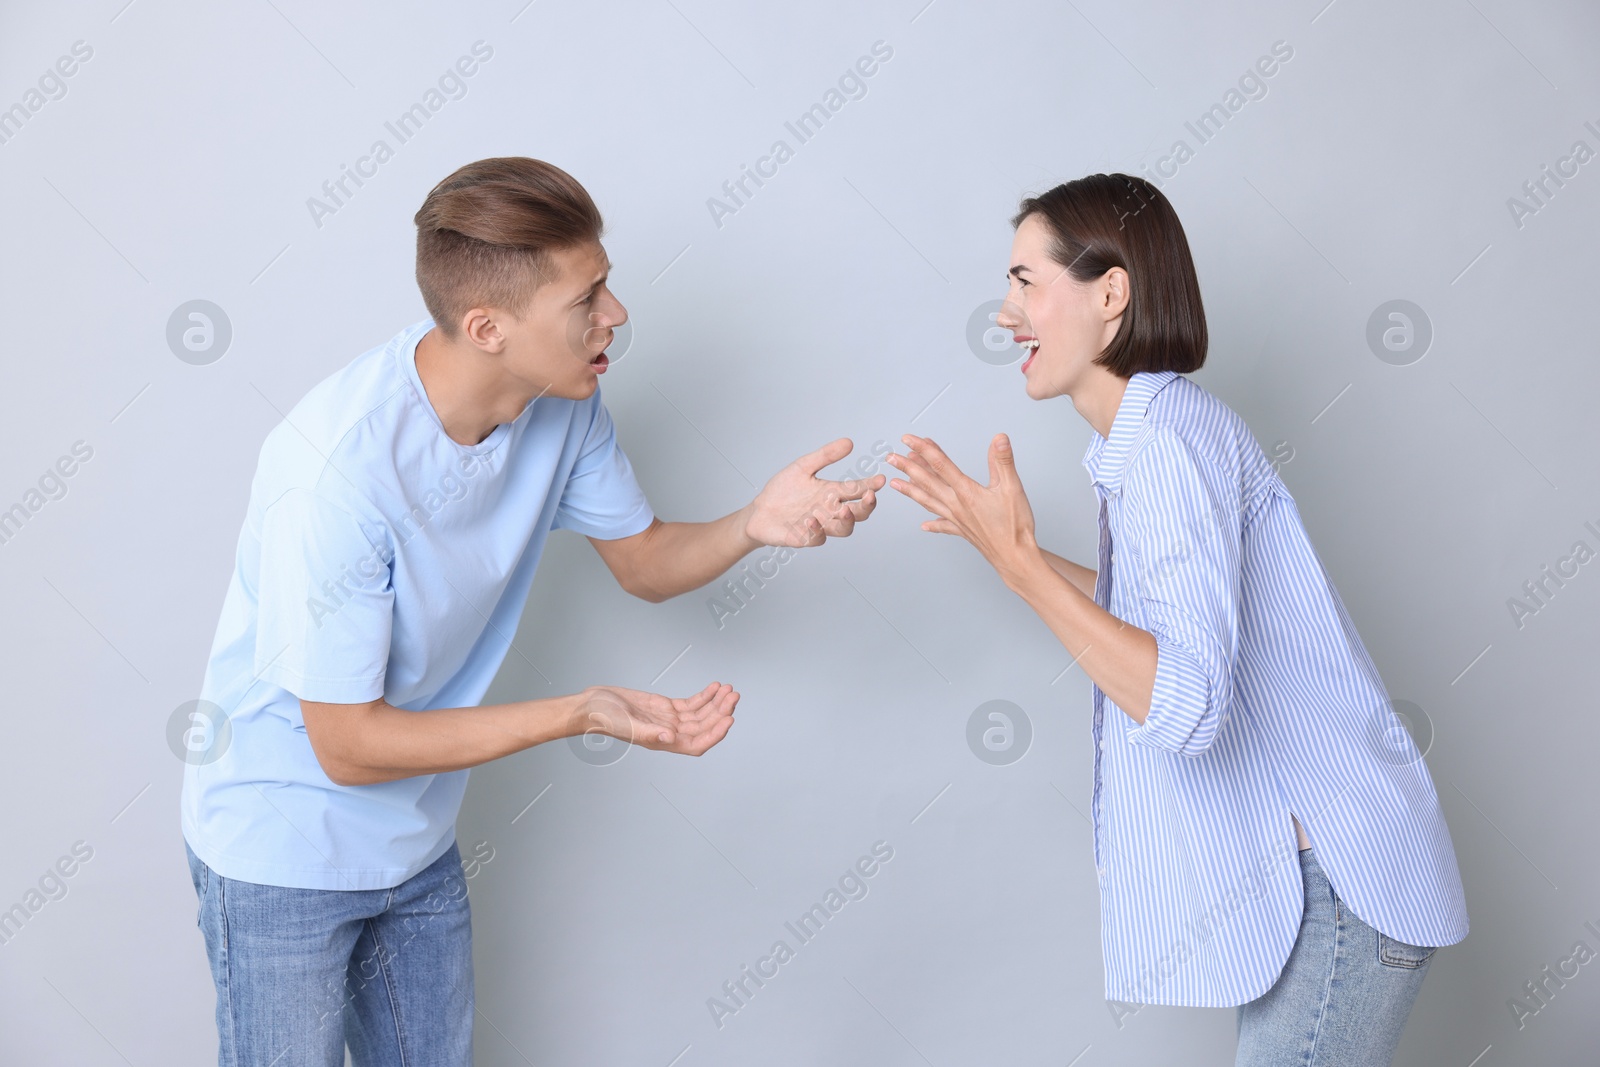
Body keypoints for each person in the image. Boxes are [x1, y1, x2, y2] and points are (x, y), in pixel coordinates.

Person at [180, 156, 886, 1067]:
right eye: (587, 297)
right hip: (280, 847)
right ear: (488, 327)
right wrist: (578, 711)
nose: (617, 315)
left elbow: (643, 563)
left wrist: (754, 523)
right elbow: (346, 746)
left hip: (415, 840)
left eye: (608, 284)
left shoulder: (564, 402)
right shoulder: (335, 477)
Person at [884, 173, 1468, 1066]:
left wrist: (1022, 570)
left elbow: (1187, 705)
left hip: (1341, 888)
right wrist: (1014, 556)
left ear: (1110, 292)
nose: (1005, 312)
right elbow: (1158, 628)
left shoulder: (1166, 445)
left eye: (1025, 281)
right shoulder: (1160, 435)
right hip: (1326, 887)